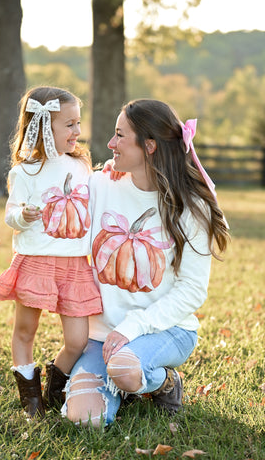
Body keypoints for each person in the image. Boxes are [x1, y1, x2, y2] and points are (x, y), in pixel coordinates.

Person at [60, 98, 230, 427]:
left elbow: (193, 290)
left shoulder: (191, 207)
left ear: (149, 146)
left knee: (124, 367)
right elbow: (57, 192)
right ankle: (124, 383)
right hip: (102, 336)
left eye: (120, 136)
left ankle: (163, 382)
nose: (110, 144)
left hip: (167, 330)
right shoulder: (100, 186)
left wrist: (133, 328)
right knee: (84, 420)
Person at [0, 86, 102, 418]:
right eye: (69, 124)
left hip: (74, 265)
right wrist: (22, 216)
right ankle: (31, 399)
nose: (77, 131)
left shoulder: (81, 166)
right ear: (42, 126)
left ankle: (55, 386)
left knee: (78, 340)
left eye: (78, 123)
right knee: (25, 331)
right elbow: (11, 215)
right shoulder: (24, 172)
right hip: (36, 263)